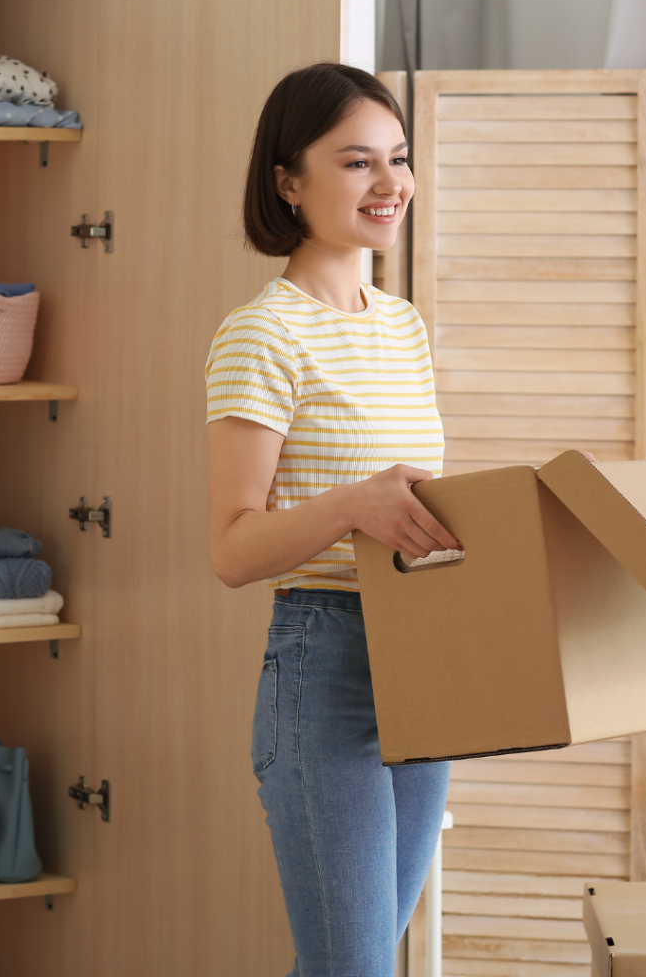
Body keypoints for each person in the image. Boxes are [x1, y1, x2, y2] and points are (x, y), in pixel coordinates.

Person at [205, 62, 462, 977]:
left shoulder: (403, 327)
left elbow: (418, 510)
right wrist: (353, 507)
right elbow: (233, 548)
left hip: (424, 659)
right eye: (357, 163)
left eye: (397, 159)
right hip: (327, 661)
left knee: (356, 965)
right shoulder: (262, 332)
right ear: (288, 181)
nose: (391, 184)